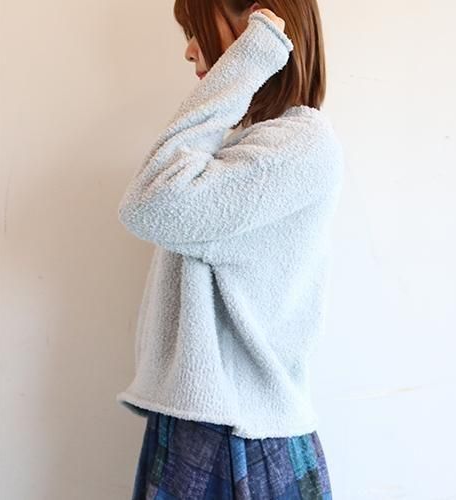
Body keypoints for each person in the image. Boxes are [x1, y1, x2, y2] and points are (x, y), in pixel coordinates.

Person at [116, 0, 345, 498]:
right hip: (208, 421)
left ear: (259, 21)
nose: (188, 50)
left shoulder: (300, 145)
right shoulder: (237, 148)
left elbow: (150, 202)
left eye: (195, 29)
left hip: (238, 433)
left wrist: (254, 53)